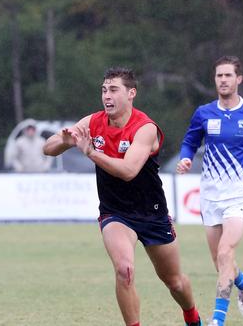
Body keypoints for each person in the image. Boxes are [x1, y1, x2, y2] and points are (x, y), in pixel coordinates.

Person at [43, 67, 202, 326]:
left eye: (114, 89)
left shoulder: (145, 128)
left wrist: (91, 153)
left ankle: (192, 317)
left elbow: (128, 171)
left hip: (152, 214)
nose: (107, 95)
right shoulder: (93, 122)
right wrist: (64, 140)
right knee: (124, 270)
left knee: (174, 282)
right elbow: (47, 148)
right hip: (115, 214)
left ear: (131, 93)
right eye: (104, 90)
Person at [176, 56, 243, 326]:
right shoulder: (204, 113)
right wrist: (186, 157)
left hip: (240, 193)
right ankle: (242, 281)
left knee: (225, 251)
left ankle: (217, 320)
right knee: (220, 262)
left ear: (239, 79)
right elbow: (190, 140)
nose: (223, 80)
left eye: (228, 75)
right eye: (219, 76)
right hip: (210, 194)